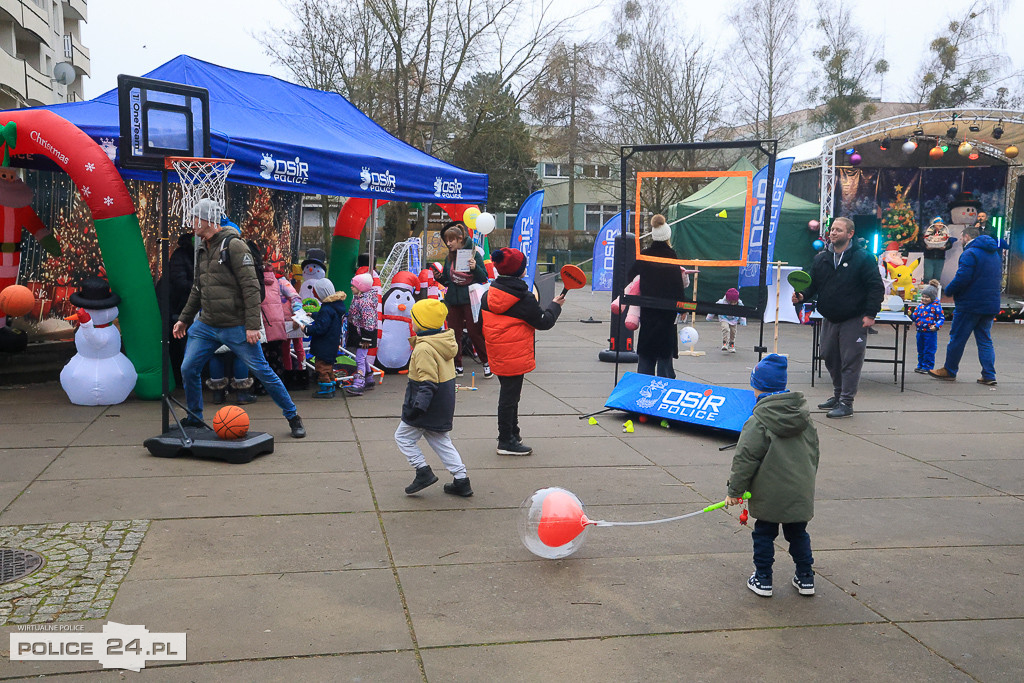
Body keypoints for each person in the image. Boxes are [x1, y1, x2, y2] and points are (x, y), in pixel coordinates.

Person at [173, 199, 306, 438]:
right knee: (188, 368)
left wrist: (252, 325)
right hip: (207, 325)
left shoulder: (234, 246)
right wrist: (184, 318)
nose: (192, 223)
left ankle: (293, 416)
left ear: (208, 220)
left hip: (236, 325)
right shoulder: (202, 247)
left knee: (263, 371)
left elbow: (251, 288)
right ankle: (194, 417)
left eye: (195, 218)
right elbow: (198, 288)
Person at [726, 354, 819, 598]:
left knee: (764, 534)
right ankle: (805, 576)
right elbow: (814, 452)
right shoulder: (804, 417)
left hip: (769, 492)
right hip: (799, 489)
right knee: (798, 533)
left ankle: (763, 578)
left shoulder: (758, 421)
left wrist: (735, 491)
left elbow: (745, 458)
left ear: (758, 387)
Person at [792, 217, 884, 419]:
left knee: (850, 361)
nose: (833, 233)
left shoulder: (864, 258)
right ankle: (837, 396)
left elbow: (876, 287)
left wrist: (870, 314)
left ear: (850, 234)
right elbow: (812, 285)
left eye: (838, 230)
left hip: (855, 317)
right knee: (828, 355)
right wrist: (802, 296)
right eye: (832, 229)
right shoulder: (821, 259)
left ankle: (846, 403)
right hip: (829, 317)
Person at [481, 247, 563, 456]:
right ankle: (505, 440)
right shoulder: (523, 298)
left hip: (497, 351)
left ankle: (513, 433)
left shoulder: (489, 294)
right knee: (509, 398)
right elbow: (544, 322)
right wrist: (555, 306)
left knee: (510, 395)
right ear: (521, 271)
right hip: (515, 353)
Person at [397, 299, 473, 498]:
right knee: (441, 441)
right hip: (442, 403)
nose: (411, 322)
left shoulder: (423, 348)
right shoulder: (443, 341)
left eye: (413, 319)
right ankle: (461, 479)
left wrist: (417, 408)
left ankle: (423, 471)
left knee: (403, 437)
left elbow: (428, 382)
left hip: (425, 405)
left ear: (421, 323)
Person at [928, 225, 1001, 386]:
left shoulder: (970, 253)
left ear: (967, 237)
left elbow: (963, 277)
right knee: (985, 340)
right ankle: (989, 374)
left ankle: (949, 370)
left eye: (961, 237)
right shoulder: (994, 253)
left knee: (957, 338)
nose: (960, 240)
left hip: (970, 304)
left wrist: (949, 290)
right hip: (990, 303)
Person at [627, 214, 687, 378]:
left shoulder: (645, 255)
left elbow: (630, 275)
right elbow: (677, 285)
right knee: (665, 353)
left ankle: (643, 383)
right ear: (668, 237)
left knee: (646, 352)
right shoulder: (671, 256)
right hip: (666, 312)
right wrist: (683, 308)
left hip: (648, 309)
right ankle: (664, 384)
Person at [432, 221, 491, 377]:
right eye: (447, 240)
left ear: (460, 239)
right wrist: (439, 277)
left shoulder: (474, 254)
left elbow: (484, 277)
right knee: (453, 333)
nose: (448, 243)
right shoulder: (449, 257)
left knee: (474, 332)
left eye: (451, 240)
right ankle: (457, 365)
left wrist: (475, 267)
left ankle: (486, 362)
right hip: (453, 300)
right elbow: (448, 281)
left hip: (471, 299)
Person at [304, 278, 347, 399]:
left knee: (321, 367)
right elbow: (328, 318)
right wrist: (314, 315)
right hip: (331, 343)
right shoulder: (335, 306)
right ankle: (331, 385)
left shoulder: (326, 308)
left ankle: (326, 388)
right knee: (328, 366)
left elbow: (320, 328)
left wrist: (306, 329)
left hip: (324, 344)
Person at [344, 272, 378, 397]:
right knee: (362, 357)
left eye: (354, 286)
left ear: (361, 288)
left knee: (359, 358)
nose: (351, 287)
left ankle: (359, 384)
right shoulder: (358, 298)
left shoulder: (365, 302)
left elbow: (369, 322)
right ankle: (369, 378)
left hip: (365, 335)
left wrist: (366, 337)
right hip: (360, 333)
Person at [911, 282, 944, 374]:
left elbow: (941, 318)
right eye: (923, 296)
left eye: (927, 297)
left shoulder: (936, 307)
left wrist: (936, 326)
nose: (924, 299)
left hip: (930, 332)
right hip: (920, 331)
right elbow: (914, 316)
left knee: (929, 350)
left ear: (932, 298)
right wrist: (909, 315)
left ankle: (928, 367)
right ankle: (921, 365)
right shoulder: (920, 306)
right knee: (920, 349)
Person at [707, 287, 746, 352]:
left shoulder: (740, 303)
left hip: (734, 319)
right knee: (725, 328)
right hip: (724, 318)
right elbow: (714, 308)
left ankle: (731, 344)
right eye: (731, 302)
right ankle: (725, 343)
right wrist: (709, 317)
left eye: (734, 302)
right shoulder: (721, 302)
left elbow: (743, 312)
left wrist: (743, 321)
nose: (733, 304)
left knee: (733, 332)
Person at [920, 218, 956, 284]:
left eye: (941, 223)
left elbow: (949, 244)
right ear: (934, 224)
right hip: (929, 257)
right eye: (938, 223)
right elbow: (922, 242)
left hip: (940, 257)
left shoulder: (945, 233)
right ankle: (926, 289)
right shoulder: (927, 232)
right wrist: (926, 247)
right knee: (928, 275)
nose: (940, 224)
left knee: (937, 276)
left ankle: (936, 289)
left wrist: (945, 247)